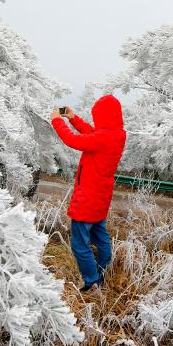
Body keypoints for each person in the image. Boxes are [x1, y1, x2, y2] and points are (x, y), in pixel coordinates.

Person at [50, 95, 126, 293]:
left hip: (87, 199)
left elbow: (72, 140)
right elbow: (92, 133)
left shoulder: (102, 138)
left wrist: (57, 120)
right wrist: (73, 118)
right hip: (100, 198)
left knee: (80, 244)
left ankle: (92, 282)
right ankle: (102, 271)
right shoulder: (116, 134)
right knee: (101, 238)